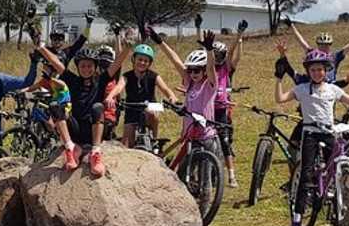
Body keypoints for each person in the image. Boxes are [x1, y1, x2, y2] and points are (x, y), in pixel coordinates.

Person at [274, 49, 349, 226]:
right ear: (308, 71)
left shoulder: (333, 89)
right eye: (313, 69)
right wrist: (279, 79)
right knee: (306, 176)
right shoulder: (302, 89)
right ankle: (297, 223)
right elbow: (280, 99)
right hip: (310, 134)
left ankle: (332, 196)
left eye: (320, 69)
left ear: (326, 70)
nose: (317, 73)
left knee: (335, 162)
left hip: (328, 132)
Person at [44, 42, 129, 177]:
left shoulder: (101, 80)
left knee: (97, 107)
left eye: (90, 66)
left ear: (95, 67)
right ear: (77, 67)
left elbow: (117, 63)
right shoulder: (72, 80)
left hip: (94, 128)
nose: (86, 69)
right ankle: (71, 148)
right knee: (55, 106)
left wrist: (128, 47)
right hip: (76, 129)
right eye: (82, 66)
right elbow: (55, 62)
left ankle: (95, 152)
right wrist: (41, 47)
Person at [149, 27, 219, 156]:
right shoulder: (189, 82)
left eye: (197, 70)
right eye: (190, 70)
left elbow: (211, 67)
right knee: (183, 172)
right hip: (189, 135)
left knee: (205, 173)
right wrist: (159, 42)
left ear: (203, 70)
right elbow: (174, 60)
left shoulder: (209, 85)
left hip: (206, 136)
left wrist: (209, 51)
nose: (192, 73)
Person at [105, 41, 177, 149]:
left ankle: (154, 141)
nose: (142, 63)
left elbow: (165, 89)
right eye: (140, 59)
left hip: (150, 107)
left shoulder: (154, 76)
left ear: (149, 63)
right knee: (126, 147)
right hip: (132, 108)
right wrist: (110, 96)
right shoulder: (127, 76)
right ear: (134, 59)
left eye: (146, 61)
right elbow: (119, 87)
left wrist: (172, 97)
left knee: (151, 112)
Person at [26, 53, 78, 171]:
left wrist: (51, 79)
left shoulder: (60, 81)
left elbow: (61, 85)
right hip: (54, 106)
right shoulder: (46, 81)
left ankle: (59, 137)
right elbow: (33, 87)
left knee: (50, 121)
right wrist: (20, 91)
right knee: (44, 113)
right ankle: (51, 134)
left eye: (47, 68)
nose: (45, 70)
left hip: (64, 107)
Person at [284, 16, 349, 84]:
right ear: (318, 45)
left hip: (330, 87)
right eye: (321, 45)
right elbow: (301, 40)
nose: (324, 47)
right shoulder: (312, 54)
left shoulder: (335, 56)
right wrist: (291, 26)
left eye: (327, 45)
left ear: (330, 45)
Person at [212, 20, 247, 188]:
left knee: (225, 141)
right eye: (215, 55)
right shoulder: (207, 68)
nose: (217, 58)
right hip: (207, 108)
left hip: (222, 110)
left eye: (220, 55)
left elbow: (233, 53)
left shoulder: (226, 69)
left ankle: (232, 175)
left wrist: (239, 35)